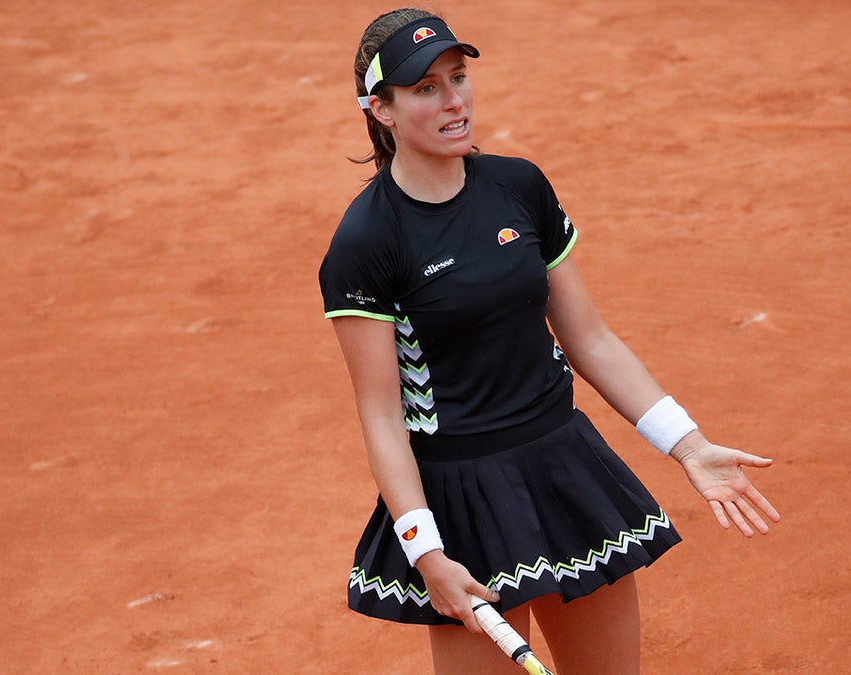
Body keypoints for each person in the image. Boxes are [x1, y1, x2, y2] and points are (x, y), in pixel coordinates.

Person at [319, 8, 781, 673]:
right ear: (380, 109)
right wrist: (426, 550)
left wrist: (688, 444)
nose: (454, 100)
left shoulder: (517, 187)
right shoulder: (366, 244)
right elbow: (382, 415)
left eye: (458, 77)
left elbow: (589, 338)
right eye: (426, 88)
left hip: (564, 469)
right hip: (460, 500)